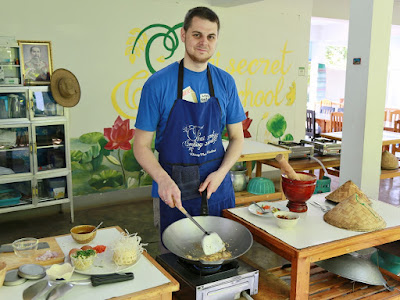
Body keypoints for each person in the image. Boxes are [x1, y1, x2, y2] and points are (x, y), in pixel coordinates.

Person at [133, 6, 245, 237]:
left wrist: (222, 172)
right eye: (197, 34)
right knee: (176, 262)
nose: (204, 42)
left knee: (223, 255)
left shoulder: (225, 82)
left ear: (216, 40)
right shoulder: (157, 84)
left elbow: (236, 138)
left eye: (210, 36)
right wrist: (163, 180)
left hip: (217, 188)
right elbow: (140, 145)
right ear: (183, 35)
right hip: (174, 191)